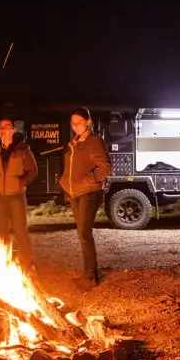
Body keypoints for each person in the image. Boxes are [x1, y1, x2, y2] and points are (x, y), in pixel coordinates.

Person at [57, 107, 112, 287]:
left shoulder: (93, 141)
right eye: (73, 123)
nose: (75, 126)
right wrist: (64, 182)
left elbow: (104, 166)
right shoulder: (75, 142)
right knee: (82, 233)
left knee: (84, 232)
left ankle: (90, 276)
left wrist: (89, 181)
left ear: (88, 121)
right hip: (75, 193)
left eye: (79, 122)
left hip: (89, 192)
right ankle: (88, 272)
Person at [0, 116, 38, 270]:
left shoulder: (23, 149)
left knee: (20, 230)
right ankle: (1, 264)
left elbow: (33, 171)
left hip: (16, 196)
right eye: (1, 128)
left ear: (13, 130)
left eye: (7, 127)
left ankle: (28, 265)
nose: (3, 130)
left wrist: (20, 183)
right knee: (1, 230)